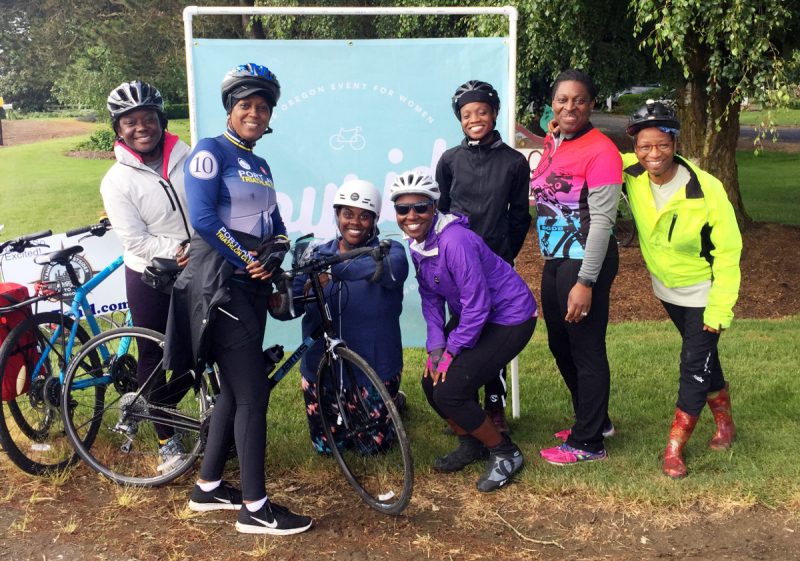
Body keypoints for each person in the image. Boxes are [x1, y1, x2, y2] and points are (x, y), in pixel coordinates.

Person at [167, 62, 311, 535]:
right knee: (253, 394)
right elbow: (206, 219)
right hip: (221, 285)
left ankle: (207, 487)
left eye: (262, 107)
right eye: (245, 105)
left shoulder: (261, 163)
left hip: (251, 285)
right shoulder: (211, 151)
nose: (254, 113)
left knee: (233, 389)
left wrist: (279, 246)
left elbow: (273, 223)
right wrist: (247, 256)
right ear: (230, 109)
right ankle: (255, 508)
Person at [391, 170, 537, 492]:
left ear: (434, 207)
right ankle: (471, 443)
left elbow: (478, 303)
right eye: (403, 209)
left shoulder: (454, 241)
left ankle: (505, 452)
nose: (411, 215)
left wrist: (453, 349)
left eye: (420, 207)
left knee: (450, 390)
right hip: (477, 314)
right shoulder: (418, 244)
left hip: (509, 317)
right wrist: (436, 346)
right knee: (431, 382)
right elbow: (430, 297)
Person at [623, 100, 742, 478]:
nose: (653, 154)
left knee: (693, 367)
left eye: (662, 144)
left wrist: (720, 309)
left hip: (704, 294)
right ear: (635, 148)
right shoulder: (631, 172)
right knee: (705, 359)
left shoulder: (707, 190)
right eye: (644, 146)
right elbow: (594, 154)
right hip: (667, 291)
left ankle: (675, 448)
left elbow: (728, 252)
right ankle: (726, 422)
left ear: (675, 143)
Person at [100, 80, 193, 473]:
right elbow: (135, 241)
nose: (142, 127)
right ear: (118, 129)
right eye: (130, 121)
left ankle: (170, 411)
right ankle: (167, 440)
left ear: (161, 120)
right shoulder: (116, 180)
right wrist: (178, 251)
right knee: (153, 355)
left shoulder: (188, 156)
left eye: (149, 118)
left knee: (201, 351)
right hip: (150, 276)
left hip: (197, 268)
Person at [530, 69, 622, 465]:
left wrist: (586, 280)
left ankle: (588, 443)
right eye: (563, 99)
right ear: (553, 103)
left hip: (585, 260)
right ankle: (594, 419)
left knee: (585, 348)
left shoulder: (602, 150)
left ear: (592, 105)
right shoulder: (556, 142)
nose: (570, 107)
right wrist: (552, 134)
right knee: (559, 343)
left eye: (579, 100)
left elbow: (602, 220)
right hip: (555, 257)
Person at [435, 80, 532, 432]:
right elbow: (442, 211)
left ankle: (494, 408)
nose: (474, 118)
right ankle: (463, 405)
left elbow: (521, 215)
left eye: (482, 112)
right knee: (461, 332)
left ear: (494, 114)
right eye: (466, 114)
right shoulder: (450, 161)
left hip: (497, 265)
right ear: (460, 119)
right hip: (457, 268)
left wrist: (506, 256)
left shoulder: (514, 162)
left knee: (495, 337)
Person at [287, 179, 409, 454]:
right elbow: (290, 306)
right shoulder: (313, 253)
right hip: (322, 371)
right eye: (348, 214)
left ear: (375, 220)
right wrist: (281, 293)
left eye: (364, 216)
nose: (355, 222)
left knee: (372, 450)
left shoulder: (391, 251)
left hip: (373, 370)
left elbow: (392, 269)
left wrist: (331, 271)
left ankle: (394, 402)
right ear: (337, 215)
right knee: (328, 450)